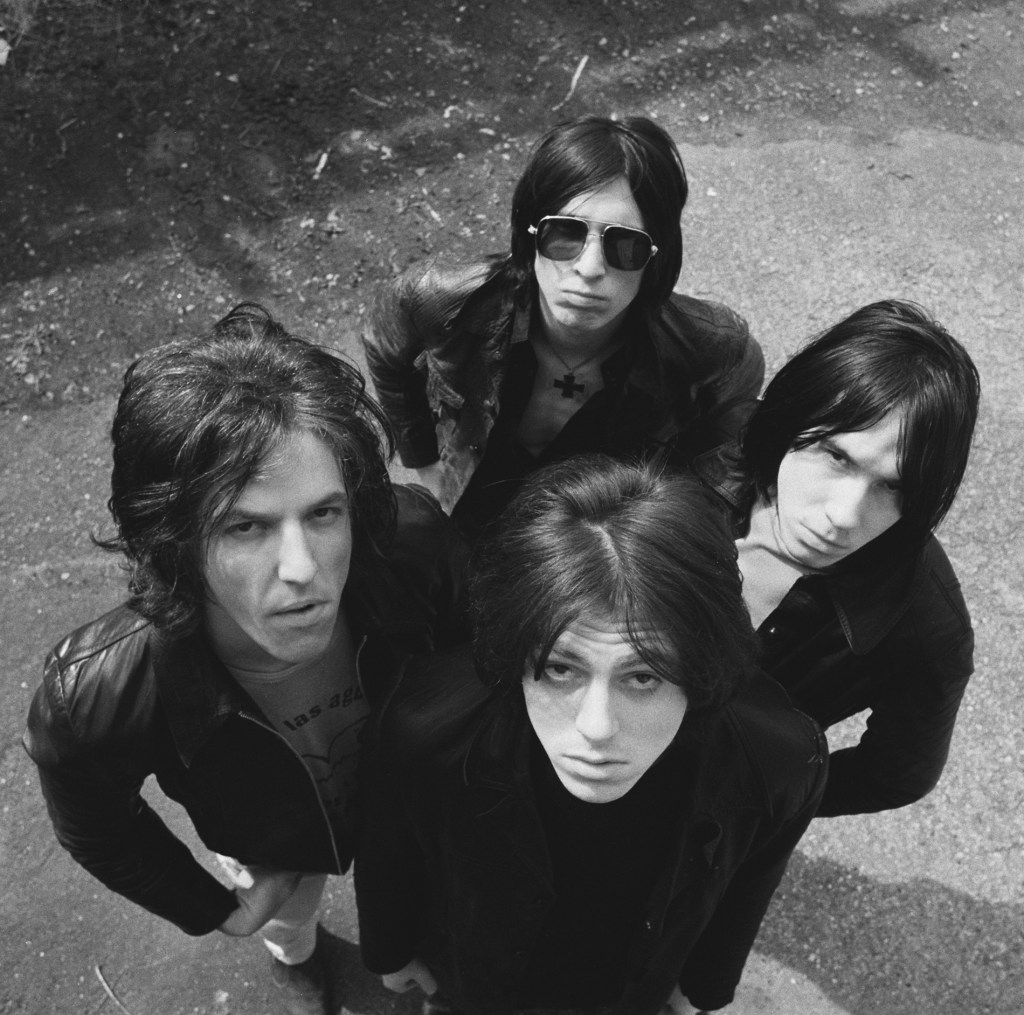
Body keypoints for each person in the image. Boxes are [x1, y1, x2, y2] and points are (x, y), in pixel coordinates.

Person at [23, 303, 468, 1015]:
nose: (303, 569)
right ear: (171, 537)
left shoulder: (410, 547)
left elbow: (474, 662)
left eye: (323, 513)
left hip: (410, 804)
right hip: (271, 845)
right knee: (288, 918)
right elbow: (98, 827)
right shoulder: (94, 694)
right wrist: (218, 909)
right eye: (246, 526)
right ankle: (296, 958)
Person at [355, 456, 827, 1015]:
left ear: (701, 667)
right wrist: (391, 954)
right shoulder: (425, 727)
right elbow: (390, 854)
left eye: (643, 676)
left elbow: (749, 885)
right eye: (561, 668)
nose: (597, 727)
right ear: (515, 651)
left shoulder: (779, 761)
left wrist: (704, 988)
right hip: (475, 980)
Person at [363, 114, 763, 539]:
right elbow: (384, 345)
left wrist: (661, 535)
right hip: (472, 506)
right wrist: (423, 461)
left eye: (625, 244)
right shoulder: (444, 301)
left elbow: (726, 461)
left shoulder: (717, 355)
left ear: (656, 257)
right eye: (565, 234)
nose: (589, 268)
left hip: (592, 539)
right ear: (531, 234)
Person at [698, 299, 980, 816]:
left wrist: (751, 799)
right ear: (790, 421)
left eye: (894, 487)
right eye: (836, 456)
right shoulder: (691, 458)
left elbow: (894, 776)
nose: (845, 516)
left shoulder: (925, 628)